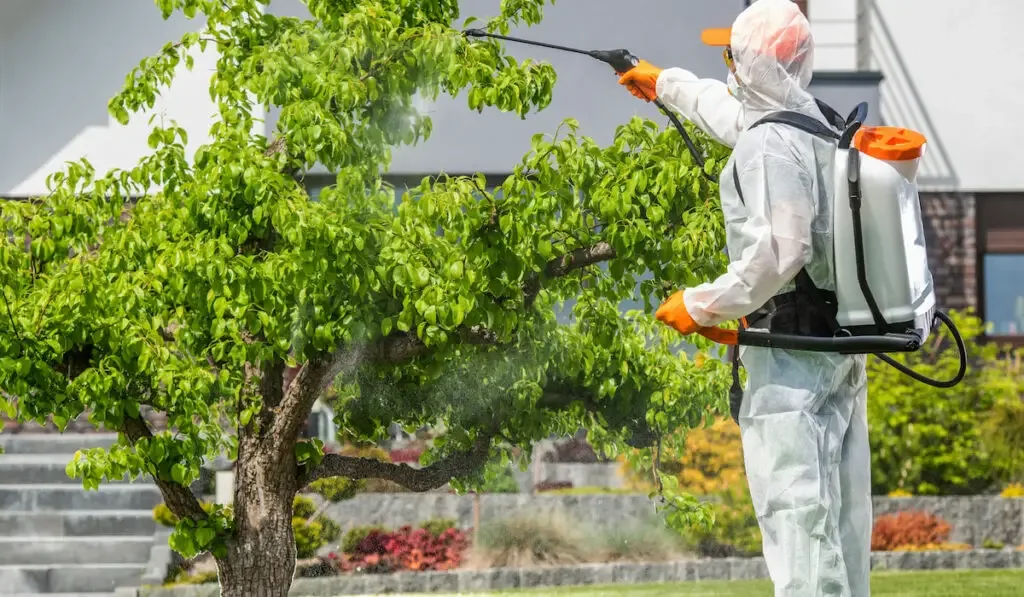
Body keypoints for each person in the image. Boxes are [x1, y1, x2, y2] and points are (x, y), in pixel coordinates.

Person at [617, 1, 871, 596]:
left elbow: (784, 252)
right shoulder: (812, 123)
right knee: (838, 509)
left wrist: (703, 303)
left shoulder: (771, 147)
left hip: (791, 357)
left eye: (731, 54)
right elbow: (732, 116)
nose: (726, 64)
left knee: (797, 511)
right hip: (834, 347)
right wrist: (665, 83)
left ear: (753, 62)